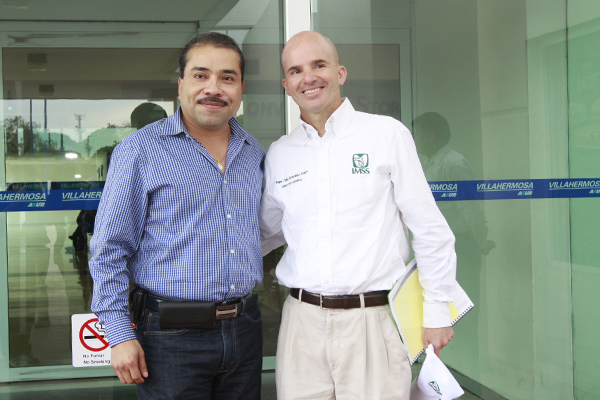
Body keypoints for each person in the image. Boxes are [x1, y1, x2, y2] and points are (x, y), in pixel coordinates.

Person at [259, 31, 457, 400]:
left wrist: (437, 311)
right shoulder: (280, 154)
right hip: (301, 323)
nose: (308, 77)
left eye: (319, 65)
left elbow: (430, 229)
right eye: (296, 71)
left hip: (372, 321)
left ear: (340, 73)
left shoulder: (386, 135)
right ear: (286, 85)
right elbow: (265, 233)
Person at [89, 32, 265, 400]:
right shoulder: (140, 151)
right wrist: (119, 334)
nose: (213, 88)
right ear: (182, 83)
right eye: (201, 75)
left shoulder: (253, 152)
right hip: (170, 338)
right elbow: (109, 249)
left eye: (227, 77)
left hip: (245, 329)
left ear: (241, 88)